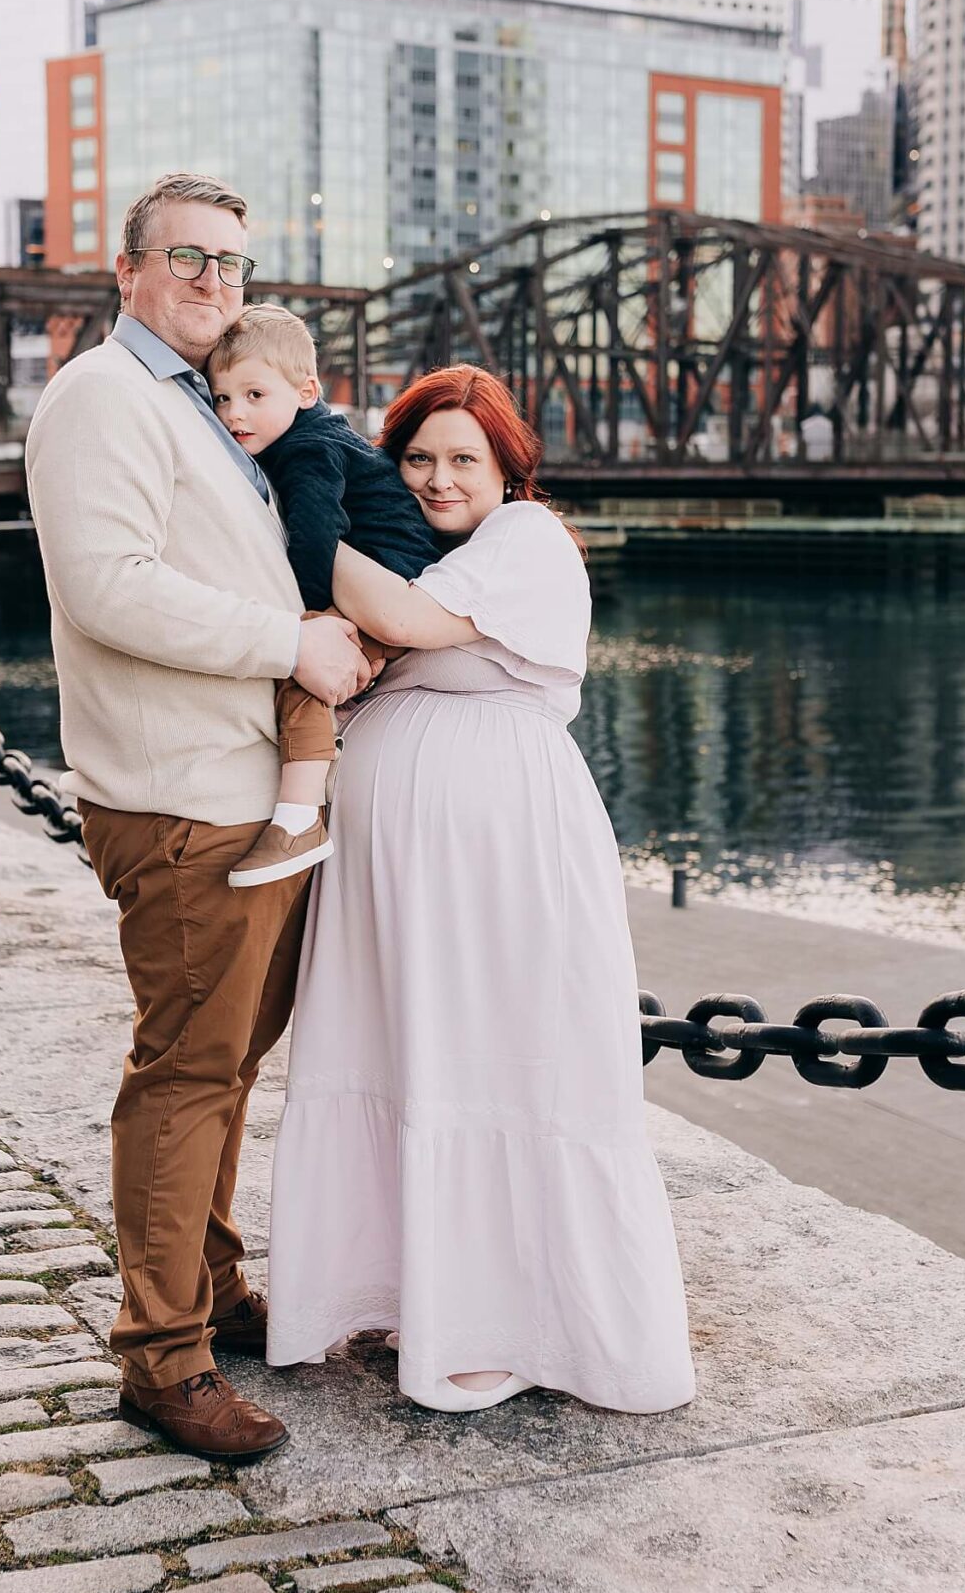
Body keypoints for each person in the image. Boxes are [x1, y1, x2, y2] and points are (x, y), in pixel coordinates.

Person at [266, 366, 695, 1416]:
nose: (438, 478)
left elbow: (408, 623)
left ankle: (508, 1317)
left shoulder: (525, 542)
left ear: (508, 469)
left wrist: (298, 493)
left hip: (500, 855)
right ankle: (408, 1289)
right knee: (403, 1056)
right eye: (415, 458)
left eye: (464, 458)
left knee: (504, 1059)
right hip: (393, 871)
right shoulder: (413, 542)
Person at [24, 173, 371, 1462]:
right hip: (181, 806)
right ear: (127, 271)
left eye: (231, 262)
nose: (213, 283)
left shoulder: (198, 404)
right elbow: (110, 589)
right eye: (186, 258)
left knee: (224, 1066)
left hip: (235, 799)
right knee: (183, 1076)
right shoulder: (102, 399)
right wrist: (289, 640)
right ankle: (161, 1358)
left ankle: (211, 1292)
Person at [206, 303, 454, 890]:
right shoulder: (306, 436)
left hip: (396, 569)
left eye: (254, 395)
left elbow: (318, 530)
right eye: (221, 398)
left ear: (307, 390)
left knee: (306, 671)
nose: (235, 413)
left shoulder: (307, 449)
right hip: (391, 566)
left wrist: (307, 618)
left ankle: (297, 821)